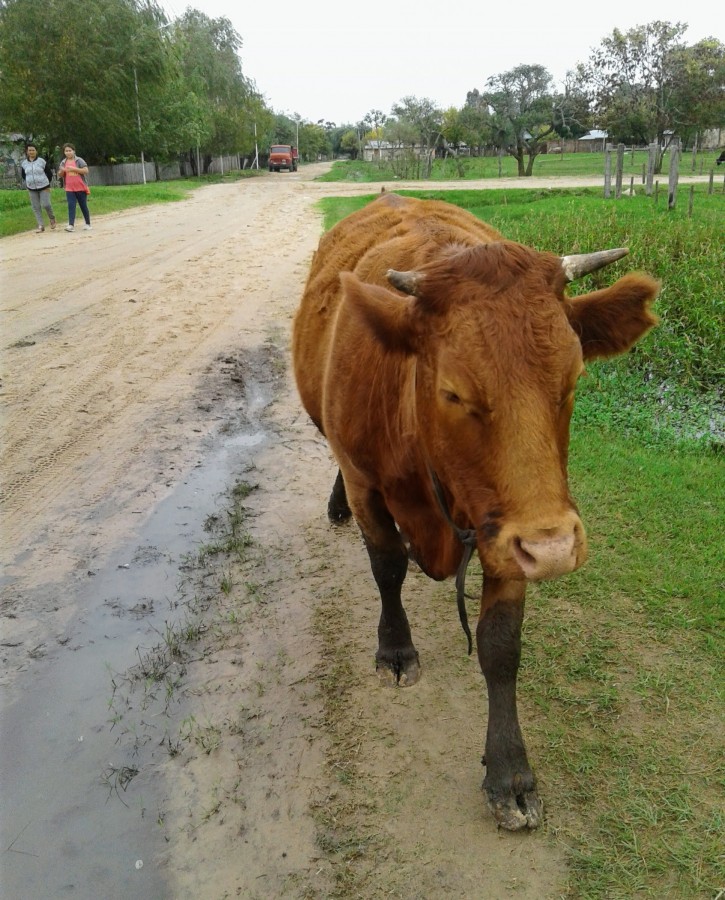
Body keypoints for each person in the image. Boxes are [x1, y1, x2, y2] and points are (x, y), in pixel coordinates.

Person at [20, 143, 57, 233]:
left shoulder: (41, 161)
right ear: (27, 152)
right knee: (36, 207)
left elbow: (49, 173)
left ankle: (52, 218)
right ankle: (41, 225)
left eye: (33, 150)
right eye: (29, 150)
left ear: (36, 151)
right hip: (31, 188)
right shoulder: (24, 163)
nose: (31, 152)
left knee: (46, 204)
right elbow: (23, 175)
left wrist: (46, 184)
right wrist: (29, 182)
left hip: (44, 186)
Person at [58, 143, 92, 232]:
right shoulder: (63, 162)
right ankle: (71, 225)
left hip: (80, 187)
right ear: (64, 152)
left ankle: (88, 223)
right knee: (71, 205)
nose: (68, 152)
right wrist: (62, 171)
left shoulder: (79, 160)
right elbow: (61, 174)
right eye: (66, 151)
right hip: (69, 188)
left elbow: (86, 170)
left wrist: (73, 169)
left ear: (74, 151)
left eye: (70, 150)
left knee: (83, 205)